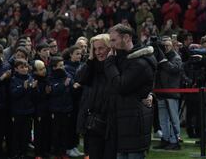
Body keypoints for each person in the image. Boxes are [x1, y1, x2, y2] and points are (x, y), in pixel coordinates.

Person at [104, 24, 156, 159]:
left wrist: (109, 63)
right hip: (123, 122)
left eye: (113, 40)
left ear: (126, 38)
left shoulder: (140, 62)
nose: (111, 44)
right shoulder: (123, 60)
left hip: (133, 124)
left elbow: (121, 86)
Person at [76, 34, 117, 159]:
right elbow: (80, 79)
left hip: (112, 121)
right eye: (95, 49)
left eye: (101, 48)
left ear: (110, 48)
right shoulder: (91, 66)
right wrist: (90, 59)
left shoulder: (117, 65)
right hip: (93, 121)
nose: (98, 52)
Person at [154, 38, 183, 150]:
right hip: (161, 92)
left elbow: (174, 69)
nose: (165, 47)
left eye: (167, 45)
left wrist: (163, 60)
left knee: (173, 118)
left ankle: (175, 141)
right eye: (163, 45)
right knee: (163, 118)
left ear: (172, 46)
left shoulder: (176, 57)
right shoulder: (160, 57)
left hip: (171, 92)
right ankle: (165, 139)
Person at [9, 59, 37, 159]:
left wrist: (34, 89)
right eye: (21, 67)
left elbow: (34, 97)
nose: (25, 69)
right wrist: (23, 88)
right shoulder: (13, 80)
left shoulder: (30, 78)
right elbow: (13, 95)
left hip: (28, 111)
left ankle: (24, 152)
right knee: (16, 133)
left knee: (26, 133)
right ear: (16, 69)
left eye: (26, 67)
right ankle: (16, 153)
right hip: (17, 111)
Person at [49, 56, 73, 159]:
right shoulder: (50, 77)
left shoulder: (67, 75)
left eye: (63, 65)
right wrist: (64, 85)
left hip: (66, 108)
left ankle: (64, 152)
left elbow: (71, 85)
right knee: (56, 132)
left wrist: (71, 84)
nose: (62, 67)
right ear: (54, 67)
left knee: (64, 131)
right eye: (60, 66)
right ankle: (56, 152)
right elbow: (53, 91)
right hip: (56, 109)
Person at [32, 60, 51, 159]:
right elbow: (35, 98)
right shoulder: (34, 81)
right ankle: (38, 153)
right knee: (39, 132)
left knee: (47, 130)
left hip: (47, 109)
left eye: (44, 68)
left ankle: (45, 151)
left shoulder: (47, 79)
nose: (44, 71)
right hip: (38, 110)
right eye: (41, 69)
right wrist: (45, 93)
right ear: (35, 71)